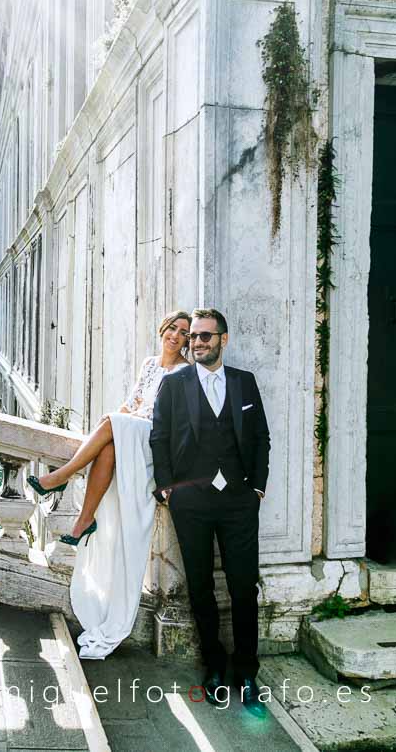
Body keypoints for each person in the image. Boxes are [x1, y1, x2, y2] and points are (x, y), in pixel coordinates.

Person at [26, 310, 191, 659]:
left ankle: (61, 476)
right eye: (173, 329)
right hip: (131, 434)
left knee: (113, 425)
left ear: (188, 342)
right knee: (108, 447)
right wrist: (111, 428)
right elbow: (129, 405)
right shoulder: (150, 365)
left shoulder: (185, 372)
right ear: (162, 329)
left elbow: (172, 422)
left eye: (184, 333)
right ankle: (85, 518)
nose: (176, 336)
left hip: (153, 440)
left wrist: (117, 422)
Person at [150, 307, 270, 717]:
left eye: (205, 336)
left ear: (223, 339)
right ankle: (215, 667)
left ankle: (247, 672)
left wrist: (257, 487)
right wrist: (167, 489)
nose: (196, 342)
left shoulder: (244, 383)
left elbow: (261, 438)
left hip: (239, 503)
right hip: (192, 502)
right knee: (200, 587)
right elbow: (159, 435)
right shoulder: (175, 384)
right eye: (193, 337)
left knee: (242, 588)